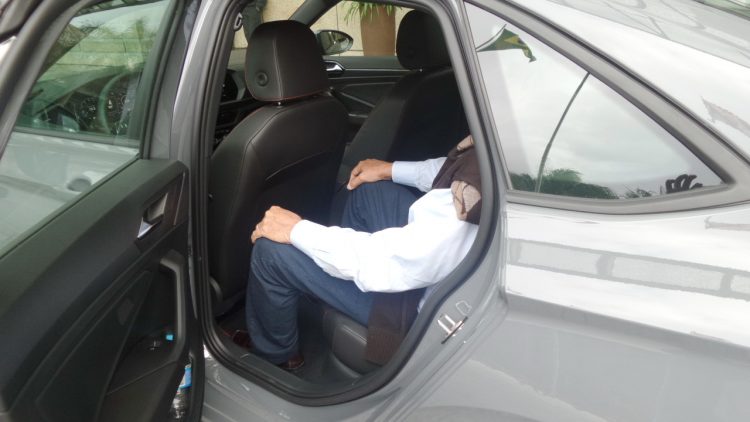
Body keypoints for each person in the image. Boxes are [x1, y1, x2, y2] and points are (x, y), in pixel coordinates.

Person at [245, 136, 481, 370]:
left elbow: (390, 263)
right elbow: (453, 168)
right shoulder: (491, 157)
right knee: (369, 189)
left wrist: (296, 230)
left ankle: (276, 356)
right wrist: (389, 170)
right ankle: (334, 293)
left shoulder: (472, 195)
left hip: (413, 307)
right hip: (428, 263)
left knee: (270, 254)